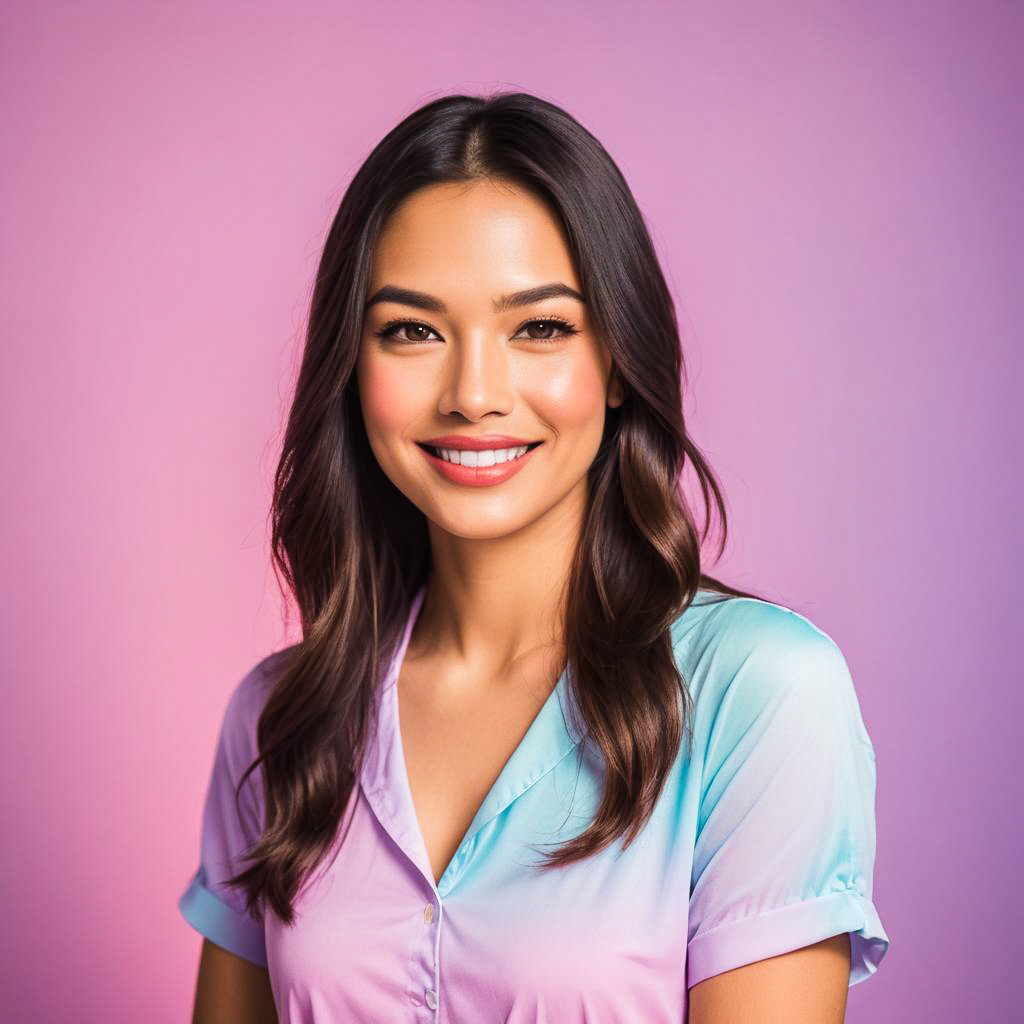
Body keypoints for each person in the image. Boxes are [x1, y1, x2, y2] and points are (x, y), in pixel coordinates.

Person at [178, 91, 889, 1023]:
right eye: (412, 330)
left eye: (541, 327)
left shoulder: (762, 693)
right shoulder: (282, 715)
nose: (474, 393)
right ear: (351, 370)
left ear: (621, 361)